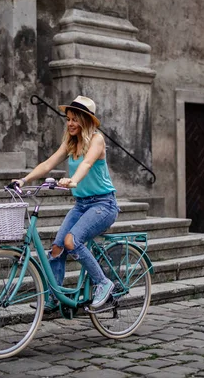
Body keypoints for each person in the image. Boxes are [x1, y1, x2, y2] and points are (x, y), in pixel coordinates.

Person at [13, 95, 119, 311]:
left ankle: (103, 283)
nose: (70, 123)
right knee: (57, 248)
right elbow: (48, 163)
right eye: (68, 119)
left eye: (75, 119)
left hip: (103, 205)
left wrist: (73, 180)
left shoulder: (97, 139)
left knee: (72, 242)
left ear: (86, 121)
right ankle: (55, 296)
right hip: (81, 205)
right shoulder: (70, 143)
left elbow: (87, 163)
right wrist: (24, 180)